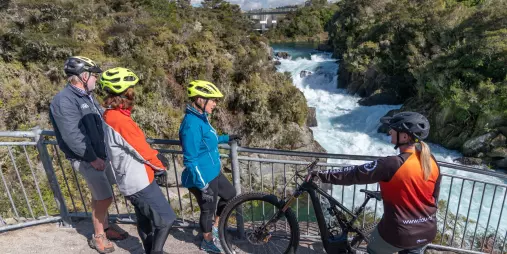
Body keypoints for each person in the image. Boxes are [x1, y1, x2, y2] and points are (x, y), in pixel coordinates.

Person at [309, 112, 441, 254]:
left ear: (404, 136)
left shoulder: (393, 164)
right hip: (427, 231)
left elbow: (354, 174)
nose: (390, 131)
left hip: (399, 233)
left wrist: (321, 174)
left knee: (373, 248)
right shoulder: (431, 162)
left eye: (394, 129)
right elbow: (433, 197)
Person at [49, 56, 128, 254]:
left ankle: (106, 227)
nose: (97, 80)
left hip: (100, 154)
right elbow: (72, 135)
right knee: (104, 197)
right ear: (83, 76)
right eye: (94, 76)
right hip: (86, 158)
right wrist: (93, 158)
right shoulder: (64, 100)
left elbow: (103, 119)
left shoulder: (88, 96)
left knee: (100, 195)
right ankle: (98, 236)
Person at [100, 67, 176, 254]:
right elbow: (139, 148)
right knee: (166, 219)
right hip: (139, 182)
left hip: (130, 180)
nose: (134, 91)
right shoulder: (119, 119)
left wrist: (154, 153)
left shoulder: (110, 115)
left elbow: (134, 144)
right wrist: (160, 164)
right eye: (131, 88)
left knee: (145, 221)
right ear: (126, 92)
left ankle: (149, 249)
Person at [179, 80, 240, 253]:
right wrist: (203, 186)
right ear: (199, 99)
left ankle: (216, 226)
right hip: (202, 177)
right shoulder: (191, 124)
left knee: (230, 194)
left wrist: (226, 138)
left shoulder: (201, 118)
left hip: (212, 171)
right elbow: (190, 160)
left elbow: (208, 141)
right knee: (208, 209)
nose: (215, 103)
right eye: (212, 99)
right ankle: (207, 241)